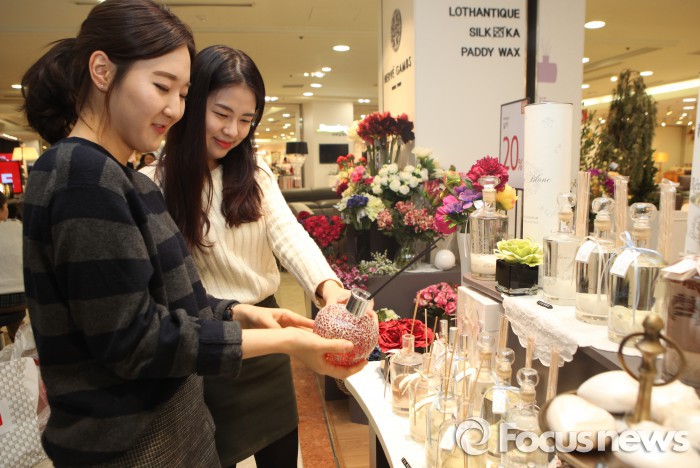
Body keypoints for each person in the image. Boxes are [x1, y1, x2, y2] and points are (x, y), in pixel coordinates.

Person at [20, 1, 364, 466]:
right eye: (162, 87)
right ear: (102, 71)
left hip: (203, 367)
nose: (173, 108)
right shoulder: (91, 177)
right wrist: (284, 340)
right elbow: (136, 338)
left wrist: (251, 310)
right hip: (141, 427)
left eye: (180, 93)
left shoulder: (128, 179)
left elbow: (187, 292)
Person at [144, 45, 350, 467]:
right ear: (192, 102)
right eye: (221, 113)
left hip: (269, 331)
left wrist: (327, 286)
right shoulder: (153, 184)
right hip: (207, 341)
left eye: (245, 119)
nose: (232, 130)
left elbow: (287, 233)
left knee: (281, 453)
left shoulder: (255, 172)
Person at [0, 191, 26, 341]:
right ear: (3, 209)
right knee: (16, 327)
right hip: (20, 300)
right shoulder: (17, 227)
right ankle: (18, 344)